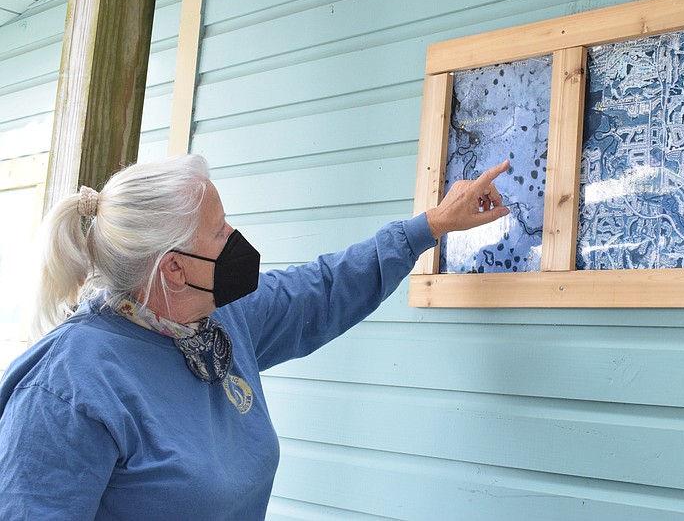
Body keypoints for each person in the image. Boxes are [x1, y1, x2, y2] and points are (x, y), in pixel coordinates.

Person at [0, 153, 510, 519]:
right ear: (174, 269)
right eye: (220, 232)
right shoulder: (66, 391)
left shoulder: (219, 322)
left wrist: (431, 225)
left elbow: (323, 290)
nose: (236, 240)